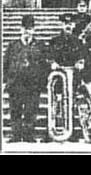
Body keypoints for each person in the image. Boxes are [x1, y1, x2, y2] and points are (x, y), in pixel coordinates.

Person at [4, 15, 48, 143]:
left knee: (31, 109)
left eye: (30, 28)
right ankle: (16, 135)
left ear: (33, 30)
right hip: (16, 84)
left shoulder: (39, 45)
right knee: (15, 109)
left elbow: (44, 65)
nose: (27, 31)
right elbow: (5, 64)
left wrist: (42, 82)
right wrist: (5, 81)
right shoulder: (12, 45)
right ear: (20, 29)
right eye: (24, 28)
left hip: (33, 84)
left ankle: (28, 135)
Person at [47, 13, 84, 142]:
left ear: (73, 25)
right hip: (59, 76)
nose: (68, 26)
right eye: (65, 24)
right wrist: (52, 63)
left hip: (72, 76)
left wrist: (80, 63)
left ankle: (72, 131)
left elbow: (81, 57)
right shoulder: (54, 41)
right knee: (56, 102)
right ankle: (53, 130)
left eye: (70, 24)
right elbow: (49, 57)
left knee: (71, 102)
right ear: (61, 25)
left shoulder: (78, 41)